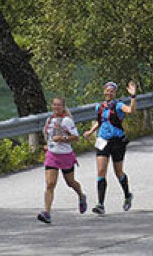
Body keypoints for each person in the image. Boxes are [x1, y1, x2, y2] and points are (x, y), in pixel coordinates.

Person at [83, 80, 137, 215]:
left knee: (118, 172)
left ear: (115, 93)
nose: (109, 93)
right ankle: (100, 204)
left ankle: (127, 195)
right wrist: (90, 131)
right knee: (101, 171)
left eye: (111, 91)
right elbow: (100, 121)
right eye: (107, 91)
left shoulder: (119, 105)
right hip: (102, 140)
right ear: (104, 91)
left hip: (117, 141)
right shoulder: (99, 107)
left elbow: (131, 111)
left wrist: (133, 97)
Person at [37, 96, 87, 224]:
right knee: (50, 184)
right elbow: (49, 136)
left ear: (63, 106)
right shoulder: (49, 120)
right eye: (54, 105)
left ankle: (81, 195)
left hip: (65, 155)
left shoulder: (67, 121)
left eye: (59, 105)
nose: (56, 107)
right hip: (52, 155)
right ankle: (47, 213)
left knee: (70, 182)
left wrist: (63, 138)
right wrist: (48, 145)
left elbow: (76, 137)